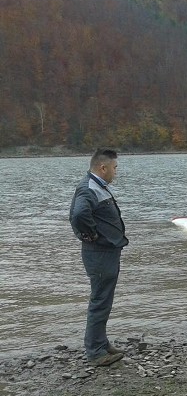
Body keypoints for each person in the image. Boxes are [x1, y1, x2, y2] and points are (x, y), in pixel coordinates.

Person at [69, 148, 129, 366]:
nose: (116, 172)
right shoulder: (88, 188)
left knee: (104, 299)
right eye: (114, 168)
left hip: (107, 252)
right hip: (100, 253)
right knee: (100, 300)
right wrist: (92, 234)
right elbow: (78, 215)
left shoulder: (97, 186)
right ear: (102, 168)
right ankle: (95, 352)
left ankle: (101, 343)